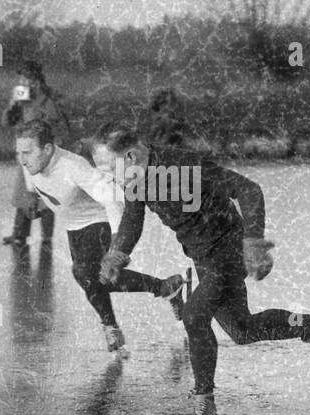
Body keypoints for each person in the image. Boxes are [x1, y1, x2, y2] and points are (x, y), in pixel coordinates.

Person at [91, 124, 310, 415]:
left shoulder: (181, 164)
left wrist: (253, 243)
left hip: (228, 247)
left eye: (108, 169)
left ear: (130, 155)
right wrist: (117, 252)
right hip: (204, 256)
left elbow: (248, 189)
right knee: (242, 330)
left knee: (194, 315)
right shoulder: (133, 179)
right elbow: (133, 220)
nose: (108, 177)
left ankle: (204, 400)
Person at [14, 119, 185, 352]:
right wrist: (33, 200)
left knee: (84, 272)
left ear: (47, 149)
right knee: (94, 279)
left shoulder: (73, 167)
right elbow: (35, 188)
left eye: (27, 152)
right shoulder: (30, 163)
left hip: (100, 220)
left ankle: (113, 326)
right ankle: (166, 287)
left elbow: (112, 200)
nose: (23, 159)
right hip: (74, 227)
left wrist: (118, 245)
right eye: (19, 153)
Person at [2, 60, 70, 247]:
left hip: (46, 148)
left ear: (36, 78)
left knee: (45, 192)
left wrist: (40, 99)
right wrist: (13, 106)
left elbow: (56, 119)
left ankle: (46, 236)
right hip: (27, 147)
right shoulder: (21, 96)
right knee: (23, 190)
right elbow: (9, 121)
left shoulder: (49, 96)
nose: (23, 82)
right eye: (22, 78)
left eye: (27, 77)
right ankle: (19, 234)